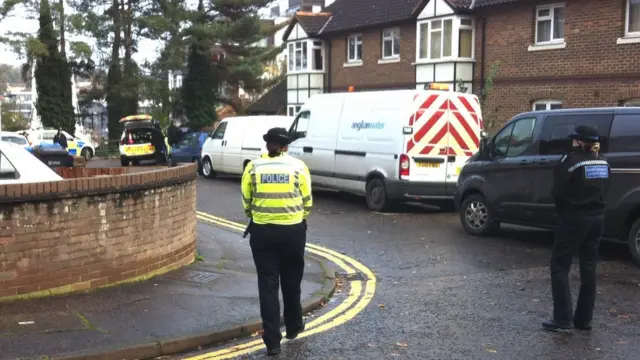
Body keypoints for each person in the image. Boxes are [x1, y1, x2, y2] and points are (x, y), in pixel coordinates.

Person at [240, 127, 313, 356]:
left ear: (267, 145)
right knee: (292, 282)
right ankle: (293, 327)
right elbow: (307, 201)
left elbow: (246, 201)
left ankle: (272, 342)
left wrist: (259, 215)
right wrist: (298, 218)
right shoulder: (298, 167)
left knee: (268, 286)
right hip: (292, 232)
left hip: (262, 234)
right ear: (285, 146)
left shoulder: (253, 168)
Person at [543, 125, 610, 332]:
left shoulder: (570, 162)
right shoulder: (604, 161)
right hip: (597, 219)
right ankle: (584, 319)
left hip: (574, 219)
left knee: (560, 266)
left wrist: (564, 213)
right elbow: (606, 188)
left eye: (575, 139)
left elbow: (558, 192)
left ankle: (563, 319)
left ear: (580, 142)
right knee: (588, 268)